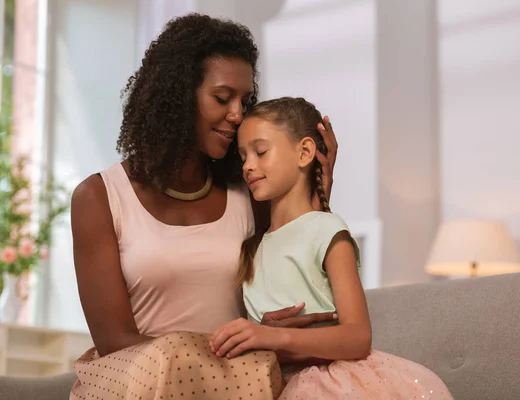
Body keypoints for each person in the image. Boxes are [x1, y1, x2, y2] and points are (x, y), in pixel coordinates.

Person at [69, 15, 338, 400]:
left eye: (245, 101)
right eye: (222, 97)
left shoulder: (249, 193)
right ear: (178, 96)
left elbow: (307, 286)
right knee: (166, 359)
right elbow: (115, 341)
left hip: (240, 382)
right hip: (140, 385)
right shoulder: (98, 197)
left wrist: (316, 194)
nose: (238, 115)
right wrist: (246, 341)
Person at [209, 97, 454, 399]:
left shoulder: (327, 230)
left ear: (305, 152)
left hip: (332, 386)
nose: (248, 166)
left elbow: (358, 337)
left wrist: (274, 336)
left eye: (260, 152)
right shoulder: (253, 247)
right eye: (243, 156)